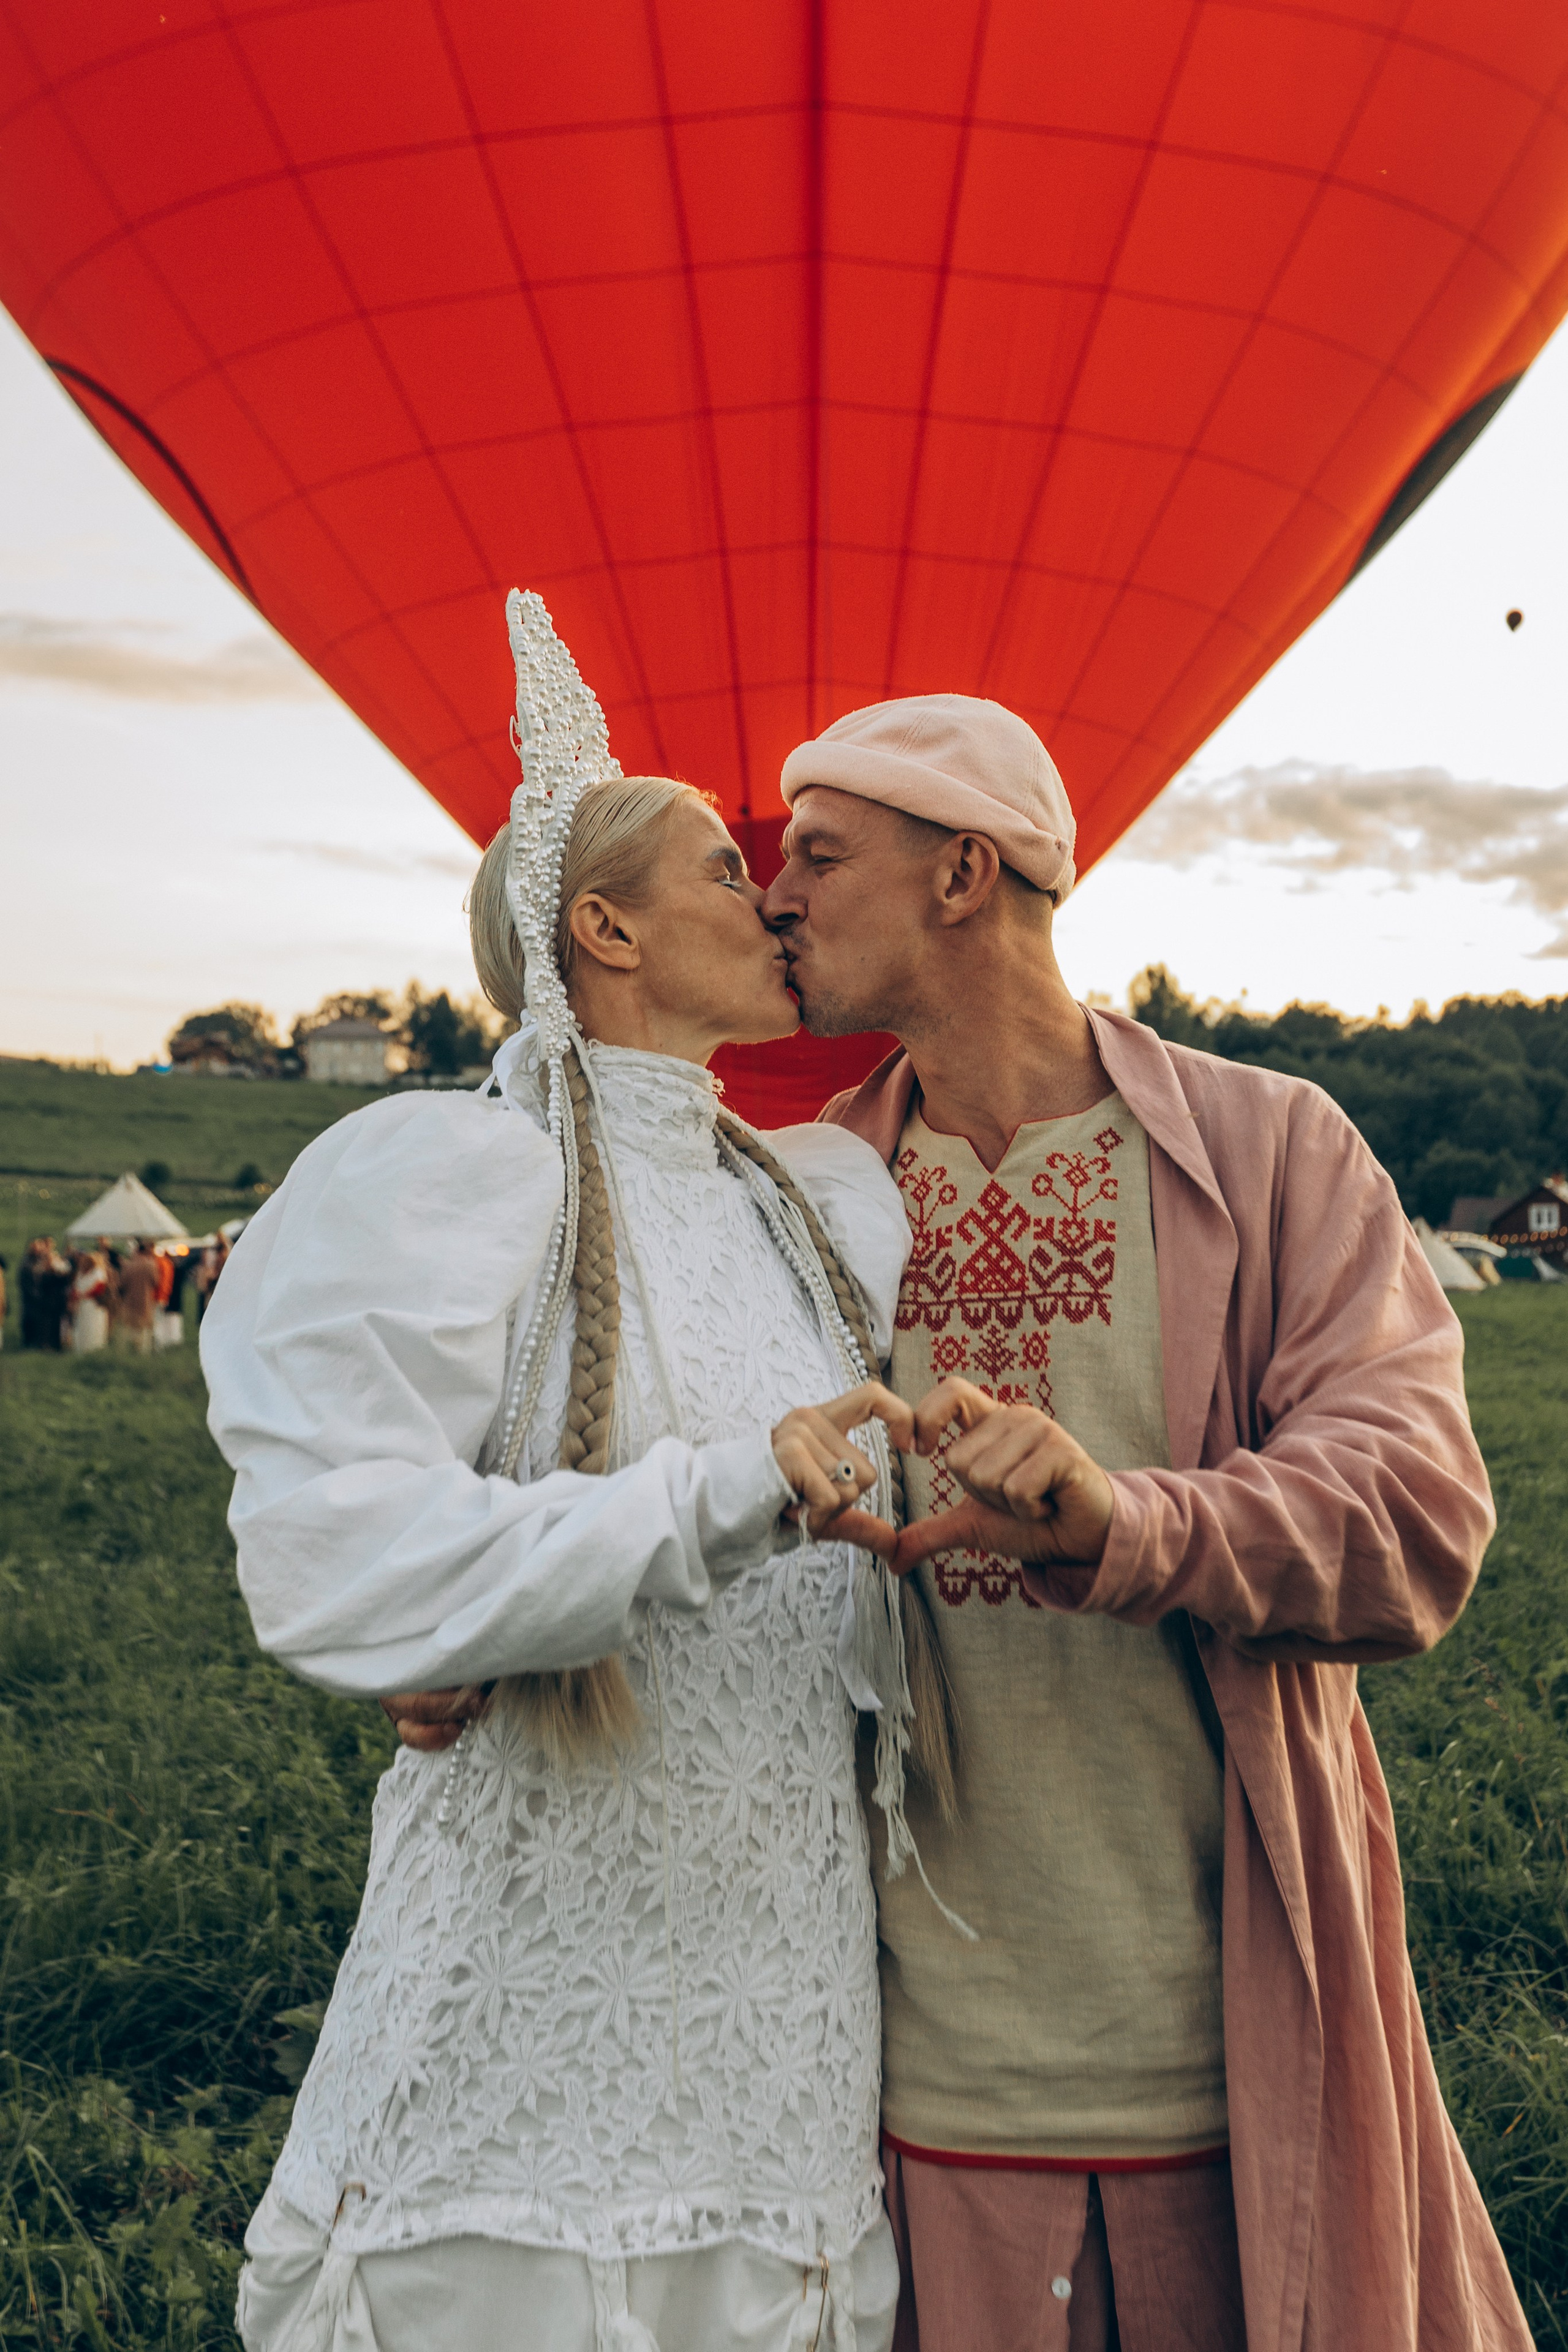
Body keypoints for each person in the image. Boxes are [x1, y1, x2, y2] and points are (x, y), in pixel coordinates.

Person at [201, 595, 945, 2352]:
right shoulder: (458, 1176)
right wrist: (702, 1501)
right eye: (715, 867)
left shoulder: (822, 1207)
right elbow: (332, 1549)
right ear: (599, 928)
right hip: (539, 1959)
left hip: (789, 1990)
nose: (764, 895)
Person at [747, 695, 1526, 2352]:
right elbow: (660, 1490)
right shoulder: (803, 1198)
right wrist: (472, 1653)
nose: (777, 897)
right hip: (901, 2078)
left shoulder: (1274, 1151)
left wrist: (1130, 1521)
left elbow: (1418, 1509)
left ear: (966, 874)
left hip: (1222, 2064)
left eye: (820, 855)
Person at [20, 1236, 70, 1349]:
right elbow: (30, 1283)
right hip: (36, 1300)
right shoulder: (28, 1263)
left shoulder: (52, 1267)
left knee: (50, 1324)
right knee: (36, 1323)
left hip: (49, 1301)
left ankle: (49, 1344)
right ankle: (34, 1343)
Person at [115, 1239, 162, 1354]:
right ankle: (142, 1355)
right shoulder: (151, 1265)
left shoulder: (129, 1266)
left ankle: (125, 1355)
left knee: (127, 1331)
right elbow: (156, 1283)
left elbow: (121, 1285)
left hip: (129, 1302)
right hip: (145, 1302)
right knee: (144, 1332)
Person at [69, 1248, 112, 1353]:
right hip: (84, 1304)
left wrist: (82, 1295)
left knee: (93, 1324)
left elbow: (99, 1289)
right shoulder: (81, 1274)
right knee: (84, 1324)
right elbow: (75, 1289)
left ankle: (93, 1347)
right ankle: (84, 1347)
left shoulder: (98, 1273)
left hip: (93, 1304)